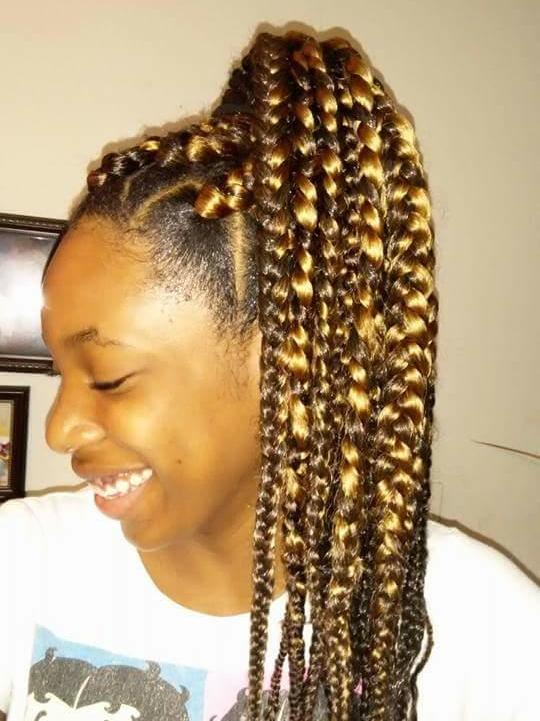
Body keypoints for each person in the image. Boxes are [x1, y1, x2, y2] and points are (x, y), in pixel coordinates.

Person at [0, 28, 538, 721]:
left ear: (282, 361)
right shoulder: (23, 565)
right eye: (59, 371)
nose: (59, 428)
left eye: (108, 377)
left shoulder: (486, 632)